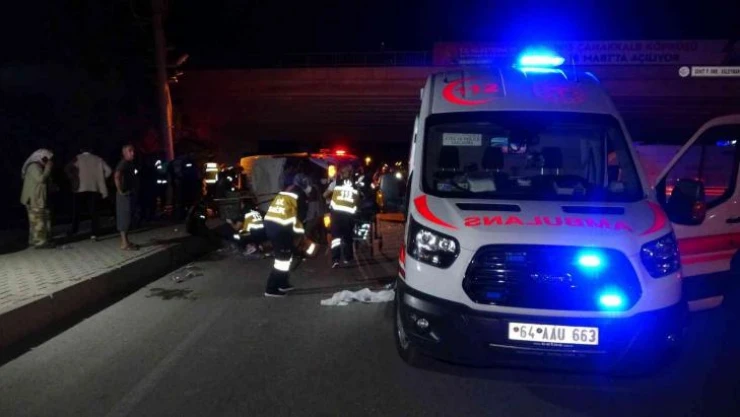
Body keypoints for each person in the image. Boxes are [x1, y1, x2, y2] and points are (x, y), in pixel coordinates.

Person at [262, 173, 312, 297]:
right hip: (281, 227)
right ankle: (271, 288)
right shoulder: (300, 195)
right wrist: (301, 237)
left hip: (273, 225)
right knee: (282, 260)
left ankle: (282, 283)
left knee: (287, 256)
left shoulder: (286, 191)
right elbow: (300, 219)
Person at [65, 147, 112, 240]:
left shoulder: (77, 158)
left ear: (81, 150)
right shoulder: (98, 159)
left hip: (80, 188)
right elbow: (109, 171)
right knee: (94, 212)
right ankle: (94, 233)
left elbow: (68, 168)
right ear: (91, 150)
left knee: (77, 211)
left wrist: (73, 178)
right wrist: (101, 178)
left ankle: (74, 230)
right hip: (94, 187)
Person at [323, 164, 359, 268]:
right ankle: (348, 258)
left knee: (336, 238)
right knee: (348, 237)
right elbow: (357, 201)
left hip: (337, 215)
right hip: (349, 216)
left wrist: (331, 197)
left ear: (341, 174)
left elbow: (324, 195)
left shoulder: (335, 183)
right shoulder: (355, 185)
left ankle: (336, 260)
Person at [20, 149, 55, 249]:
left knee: (36, 220)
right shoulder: (33, 166)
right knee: (38, 221)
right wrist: (48, 168)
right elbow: (40, 179)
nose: (48, 161)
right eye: (46, 159)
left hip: (37, 198)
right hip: (34, 199)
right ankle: (40, 243)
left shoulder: (38, 166)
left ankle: (34, 241)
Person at [114, 144, 139, 250]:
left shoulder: (129, 163)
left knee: (127, 218)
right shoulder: (123, 163)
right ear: (124, 153)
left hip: (129, 193)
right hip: (124, 194)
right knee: (124, 218)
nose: (133, 153)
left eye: (133, 150)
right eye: (130, 151)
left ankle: (126, 242)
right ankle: (124, 244)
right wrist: (120, 191)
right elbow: (117, 176)